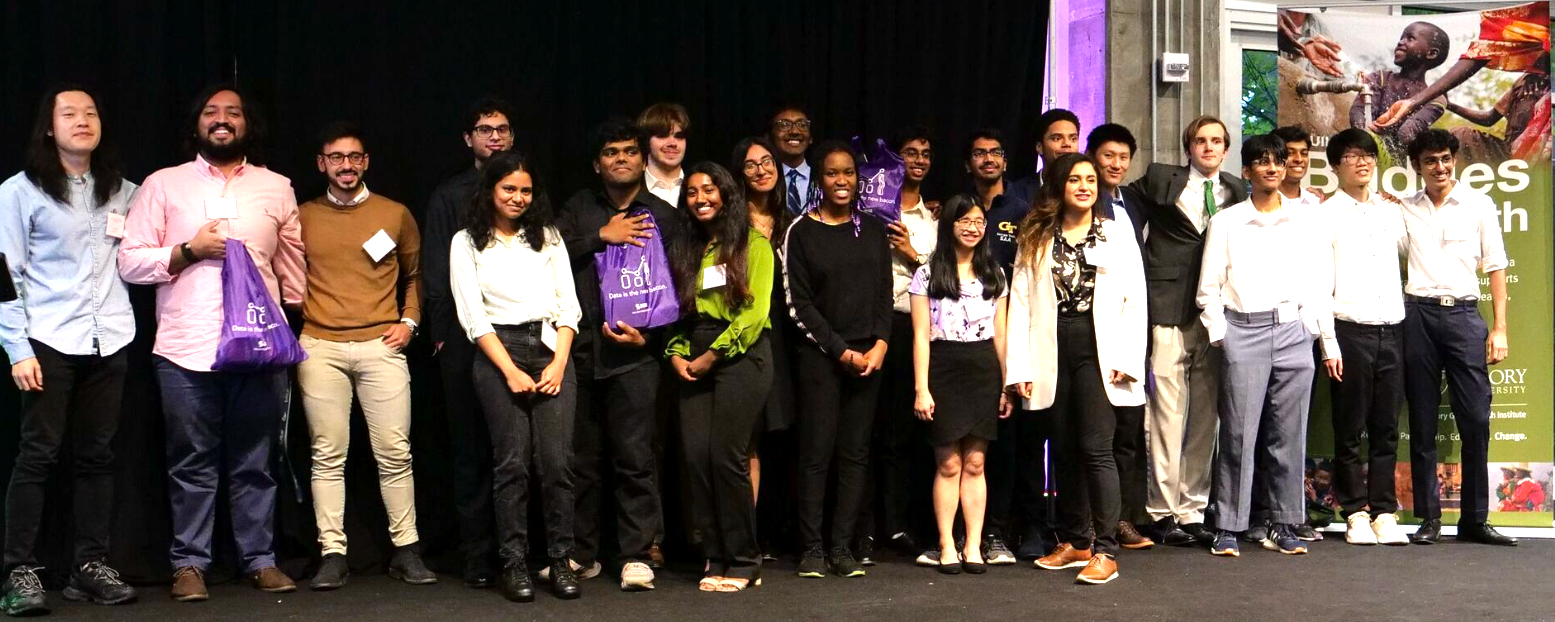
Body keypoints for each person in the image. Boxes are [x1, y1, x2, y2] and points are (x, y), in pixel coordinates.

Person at [118, 84, 304, 600]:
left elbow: (292, 266)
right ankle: (189, 565)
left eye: (233, 113)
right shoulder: (162, 185)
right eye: (211, 112)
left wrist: (292, 327)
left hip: (262, 350)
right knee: (191, 462)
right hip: (185, 348)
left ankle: (260, 559)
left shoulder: (277, 187)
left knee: (255, 461)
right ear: (196, 124)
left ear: (248, 124)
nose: (222, 120)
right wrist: (187, 250)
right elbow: (130, 261)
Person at [0, 84, 139, 616]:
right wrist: (17, 348)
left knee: (98, 458)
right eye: (69, 113)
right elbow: (6, 274)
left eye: (91, 112)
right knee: (36, 456)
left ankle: (90, 566)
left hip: (112, 338)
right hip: (48, 339)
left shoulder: (126, 191)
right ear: (48, 127)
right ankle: (21, 572)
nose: (82, 120)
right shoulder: (21, 191)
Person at [296, 121, 436, 589]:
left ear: (366, 162)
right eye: (336, 158)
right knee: (327, 455)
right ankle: (333, 553)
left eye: (354, 157)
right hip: (319, 347)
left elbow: (417, 274)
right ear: (322, 164)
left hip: (382, 345)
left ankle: (406, 549)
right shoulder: (301, 215)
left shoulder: (394, 213)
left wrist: (410, 322)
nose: (346, 166)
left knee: (395, 453)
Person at [451, 151, 583, 602]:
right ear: (490, 189)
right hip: (498, 352)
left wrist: (559, 363)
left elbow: (569, 305)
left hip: (551, 349)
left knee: (557, 463)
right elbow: (473, 317)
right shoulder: (466, 242)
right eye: (509, 188)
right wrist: (508, 370)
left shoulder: (546, 237)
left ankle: (561, 560)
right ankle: (514, 564)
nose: (518, 197)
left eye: (526, 190)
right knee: (512, 464)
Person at [1008, 153, 1146, 585]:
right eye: (1075, 180)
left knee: (1096, 448)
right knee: (1062, 446)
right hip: (1052, 345)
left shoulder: (1115, 231)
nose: (1085, 186)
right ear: (1058, 186)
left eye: (1090, 179)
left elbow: (1134, 298)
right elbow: (1022, 301)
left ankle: (1105, 548)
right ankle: (1076, 541)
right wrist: (1020, 365)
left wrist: (1127, 357)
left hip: (1097, 346)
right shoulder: (1037, 234)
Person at [556, 118, 678, 590]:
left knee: (635, 458)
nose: (622, 158)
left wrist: (652, 340)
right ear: (597, 163)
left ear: (643, 160)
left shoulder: (664, 217)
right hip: (582, 352)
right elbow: (547, 254)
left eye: (629, 151)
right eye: (611, 152)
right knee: (581, 461)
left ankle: (635, 555)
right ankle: (582, 554)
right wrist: (599, 237)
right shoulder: (579, 209)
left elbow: (679, 291)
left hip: (636, 357)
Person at [1198, 134, 1327, 558]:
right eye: (1263, 162)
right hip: (1243, 331)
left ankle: (1284, 522)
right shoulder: (1227, 222)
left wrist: (1313, 331)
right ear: (1248, 170)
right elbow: (1209, 288)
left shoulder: (1307, 219)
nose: (1273, 168)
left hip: (1293, 330)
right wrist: (1223, 336)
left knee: (1289, 436)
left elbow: (1319, 281)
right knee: (1238, 433)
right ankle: (1228, 525)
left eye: (1279, 161)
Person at [1129, 115, 1249, 547]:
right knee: (1164, 412)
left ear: (1227, 147)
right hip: (1167, 304)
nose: (1209, 147)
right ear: (1189, 147)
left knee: (1205, 415)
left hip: (1218, 310)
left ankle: (1193, 509)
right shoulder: (1162, 177)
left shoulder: (1238, 189)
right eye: (1201, 140)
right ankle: (1161, 511)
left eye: (1217, 141)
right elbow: (1121, 207)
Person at [1398, 129, 1515, 546]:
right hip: (1418, 317)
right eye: (1431, 160)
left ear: (1455, 160)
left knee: (1476, 420)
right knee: (1424, 421)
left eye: (1446, 158)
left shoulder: (1479, 205)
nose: (1440, 167)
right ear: (1417, 166)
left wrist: (1499, 327)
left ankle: (1475, 520)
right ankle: (1428, 519)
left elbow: (1496, 265)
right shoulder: (1404, 210)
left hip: (1465, 316)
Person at [783, 141, 892, 578]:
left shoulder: (873, 229)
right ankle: (811, 547)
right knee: (816, 453)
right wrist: (839, 349)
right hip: (821, 358)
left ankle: (842, 547)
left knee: (855, 454)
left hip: (868, 357)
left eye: (848, 173)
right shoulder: (801, 232)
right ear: (820, 180)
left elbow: (885, 293)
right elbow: (799, 304)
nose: (841, 181)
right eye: (832, 173)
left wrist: (880, 343)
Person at [665, 162, 775, 592]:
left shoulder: (754, 246)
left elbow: (754, 314)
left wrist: (714, 354)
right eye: (691, 193)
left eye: (709, 190)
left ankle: (745, 560)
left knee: (726, 458)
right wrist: (676, 353)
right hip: (694, 352)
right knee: (696, 458)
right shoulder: (686, 249)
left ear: (726, 195)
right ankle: (715, 555)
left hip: (740, 355)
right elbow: (676, 312)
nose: (700, 198)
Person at [420, 96, 515, 588]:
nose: (493, 136)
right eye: (483, 129)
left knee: (515, 449)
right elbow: (435, 270)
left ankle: (517, 551)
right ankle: (477, 558)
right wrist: (440, 336)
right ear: (468, 139)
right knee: (469, 450)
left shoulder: (525, 189)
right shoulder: (448, 195)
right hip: (460, 340)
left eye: (501, 128)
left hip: (518, 337)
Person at [1313, 129, 1409, 547]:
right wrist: (1328, 342)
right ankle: (1353, 511)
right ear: (1336, 165)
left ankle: (1384, 511)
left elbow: (1411, 254)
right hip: (1349, 330)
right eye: (1353, 156)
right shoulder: (1325, 214)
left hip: (1394, 327)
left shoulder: (1392, 211)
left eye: (1368, 155)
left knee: (1386, 427)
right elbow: (1318, 283)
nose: (1363, 162)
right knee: (1349, 427)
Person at [909, 194, 1009, 575]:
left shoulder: (994, 273)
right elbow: (920, 335)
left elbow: (1000, 334)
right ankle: (946, 543)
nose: (973, 227)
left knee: (977, 461)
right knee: (949, 463)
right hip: (944, 367)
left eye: (979, 221)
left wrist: (1006, 385)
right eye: (964, 220)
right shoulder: (928, 273)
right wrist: (922, 387)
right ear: (949, 225)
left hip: (983, 368)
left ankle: (974, 543)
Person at [965, 128, 1047, 564]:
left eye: (996, 152)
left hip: (1015, 337)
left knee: (1016, 442)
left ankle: (1014, 528)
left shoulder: (1023, 211)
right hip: (964, 343)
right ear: (968, 163)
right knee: (969, 444)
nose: (988, 159)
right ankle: (968, 533)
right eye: (979, 154)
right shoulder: (957, 210)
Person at [860, 125, 939, 564]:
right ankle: (865, 528)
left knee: (903, 434)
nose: (919, 160)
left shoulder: (933, 219)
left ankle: (898, 524)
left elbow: (944, 277)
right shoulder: (869, 207)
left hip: (915, 328)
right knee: (866, 432)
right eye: (910, 152)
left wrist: (915, 253)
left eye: (926, 153)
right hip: (873, 325)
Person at [1083, 123, 1152, 550]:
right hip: (1082, 336)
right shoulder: (1069, 204)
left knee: (1127, 433)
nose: (1116, 164)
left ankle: (1123, 520)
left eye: (1123, 157)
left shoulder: (1133, 206)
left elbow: (1136, 282)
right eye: (1108, 155)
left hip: (1127, 334)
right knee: (1091, 438)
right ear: (1090, 155)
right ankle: (1087, 525)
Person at [1374, 2, 1551, 162]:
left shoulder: (1533, 23)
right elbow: (1490, 118)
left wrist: (1414, 102)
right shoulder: (1523, 82)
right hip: (1512, 150)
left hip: (1540, 154)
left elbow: (1483, 50)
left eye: (1410, 39)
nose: (1401, 43)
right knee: (1457, 136)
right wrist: (1448, 105)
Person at [731, 136, 795, 558]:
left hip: (788, 339)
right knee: (747, 440)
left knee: (783, 440)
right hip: (744, 336)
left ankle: (776, 532)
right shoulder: (729, 225)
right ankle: (744, 538)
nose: (761, 170)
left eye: (767, 162)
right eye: (751, 165)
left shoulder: (794, 222)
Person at [1349, 21, 1451, 157]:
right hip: (1367, 154)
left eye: (1410, 38)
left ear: (1431, 53)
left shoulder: (1435, 100)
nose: (1401, 42)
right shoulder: (1379, 79)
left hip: (1403, 165)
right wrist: (1364, 139)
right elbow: (1358, 114)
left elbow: (1407, 133)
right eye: (1401, 38)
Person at [1006, 108, 1081, 206]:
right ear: (1039, 147)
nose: (1067, 144)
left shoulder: (1092, 192)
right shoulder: (1016, 193)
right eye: (1057, 138)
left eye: (1073, 139)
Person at [639, 103, 689, 206]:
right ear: (646, 141)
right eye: (663, 136)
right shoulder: (630, 190)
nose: (672, 143)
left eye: (679, 137)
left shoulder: (697, 187)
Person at [768, 105, 814, 215]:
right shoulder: (764, 179)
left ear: (811, 138)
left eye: (802, 125)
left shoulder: (821, 178)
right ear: (770, 137)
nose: (794, 131)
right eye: (784, 125)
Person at [1270, 126, 1326, 206]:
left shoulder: (1317, 202)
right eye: (1290, 153)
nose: (1299, 159)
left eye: (1304, 154)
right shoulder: (1261, 203)